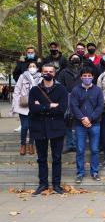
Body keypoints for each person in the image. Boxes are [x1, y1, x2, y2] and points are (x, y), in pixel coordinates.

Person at [28, 64, 68, 195]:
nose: (48, 73)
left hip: (56, 127)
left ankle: (56, 185)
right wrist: (50, 105)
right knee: (41, 158)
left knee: (57, 158)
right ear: (41, 72)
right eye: (45, 71)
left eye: (50, 71)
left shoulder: (61, 89)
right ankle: (43, 184)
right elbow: (33, 109)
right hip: (39, 128)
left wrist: (42, 107)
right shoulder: (34, 90)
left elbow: (62, 109)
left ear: (54, 73)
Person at [70, 67, 104, 184]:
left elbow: (100, 107)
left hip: (95, 124)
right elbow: (73, 106)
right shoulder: (75, 90)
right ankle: (80, 173)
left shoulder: (98, 90)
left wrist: (90, 118)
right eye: (85, 76)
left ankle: (94, 172)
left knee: (94, 149)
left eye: (89, 76)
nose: (87, 78)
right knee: (80, 149)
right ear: (81, 77)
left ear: (93, 77)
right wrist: (82, 118)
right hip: (79, 125)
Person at [11, 62, 42, 155]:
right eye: (30, 66)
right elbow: (17, 90)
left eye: (34, 66)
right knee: (25, 126)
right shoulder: (22, 76)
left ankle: (31, 144)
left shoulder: (41, 77)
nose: (32, 68)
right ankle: (23, 145)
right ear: (27, 68)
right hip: (23, 106)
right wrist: (15, 104)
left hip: (35, 106)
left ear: (37, 68)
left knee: (32, 127)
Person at [57, 54, 83, 154]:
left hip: (81, 99)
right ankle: (69, 144)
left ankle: (77, 144)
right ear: (69, 60)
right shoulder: (63, 72)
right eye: (73, 58)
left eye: (77, 58)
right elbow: (60, 85)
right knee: (67, 122)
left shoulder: (84, 71)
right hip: (67, 99)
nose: (75, 60)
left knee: (79, 123)